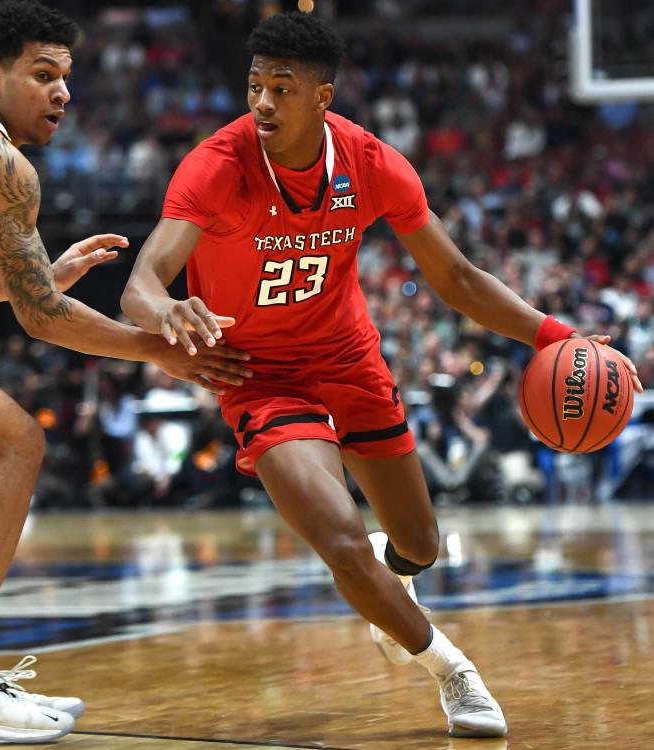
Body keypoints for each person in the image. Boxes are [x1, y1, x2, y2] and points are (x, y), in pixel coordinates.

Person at [121, 11, 642, 739]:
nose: (262, 102)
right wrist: (169, 311)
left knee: (419, 544)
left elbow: (457, 277)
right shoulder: (218, 163)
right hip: (259, 373)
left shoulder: (370, 163)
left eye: (281, 87)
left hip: (347, 359)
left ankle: (392, 581)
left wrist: (554, 334)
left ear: (322, 98)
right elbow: (140, 282)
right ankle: (453, 671)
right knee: (339, 538)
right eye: (254, 86)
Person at [0, 1, 252, 744]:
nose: (61, 93)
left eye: (66, 78)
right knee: (13, 443)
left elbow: (4, 291)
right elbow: (42, 320)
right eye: (42, 74)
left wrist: (37, 277)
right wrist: (157, 349)